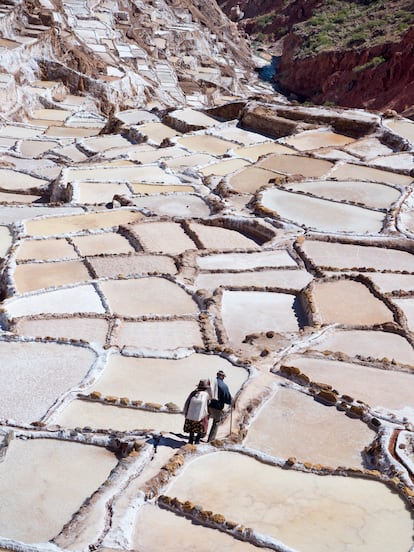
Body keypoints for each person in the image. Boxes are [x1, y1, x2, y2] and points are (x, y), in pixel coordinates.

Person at [183, 379, 211, 444]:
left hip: (191, 414)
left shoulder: (193, 393)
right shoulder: (206, 395)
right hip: (201, 415)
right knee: (199, 429)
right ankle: (197, 441)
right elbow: (207, 405)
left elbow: (187, 403)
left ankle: (190, 441)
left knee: (191, 428)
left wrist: (186, 412)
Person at [208, 370, 232, 442]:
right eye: (223, 376)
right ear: (221, 376)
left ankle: (200, 435)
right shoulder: (224, 386)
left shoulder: (210, 382)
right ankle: (210, 440)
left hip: (207, 404)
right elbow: (227, 398)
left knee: (205, 420)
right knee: (216, 423)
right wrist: (231, 401)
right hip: (217, 407)